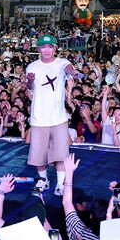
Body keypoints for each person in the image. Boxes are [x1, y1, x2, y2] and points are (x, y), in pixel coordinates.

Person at [26, 35, 82, 195]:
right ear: (39, 49)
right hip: (39, 118)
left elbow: (68, 68)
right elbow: (29, 87)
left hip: (58, 118)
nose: (47, 50)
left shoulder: (61, 63)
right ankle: (44, 180)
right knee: (38, 154)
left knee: (60, 154)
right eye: (44, 47)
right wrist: (30, 80)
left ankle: (60, 184)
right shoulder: (32, 66)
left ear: (55, 48)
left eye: (50, 47)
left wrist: (74, 71)